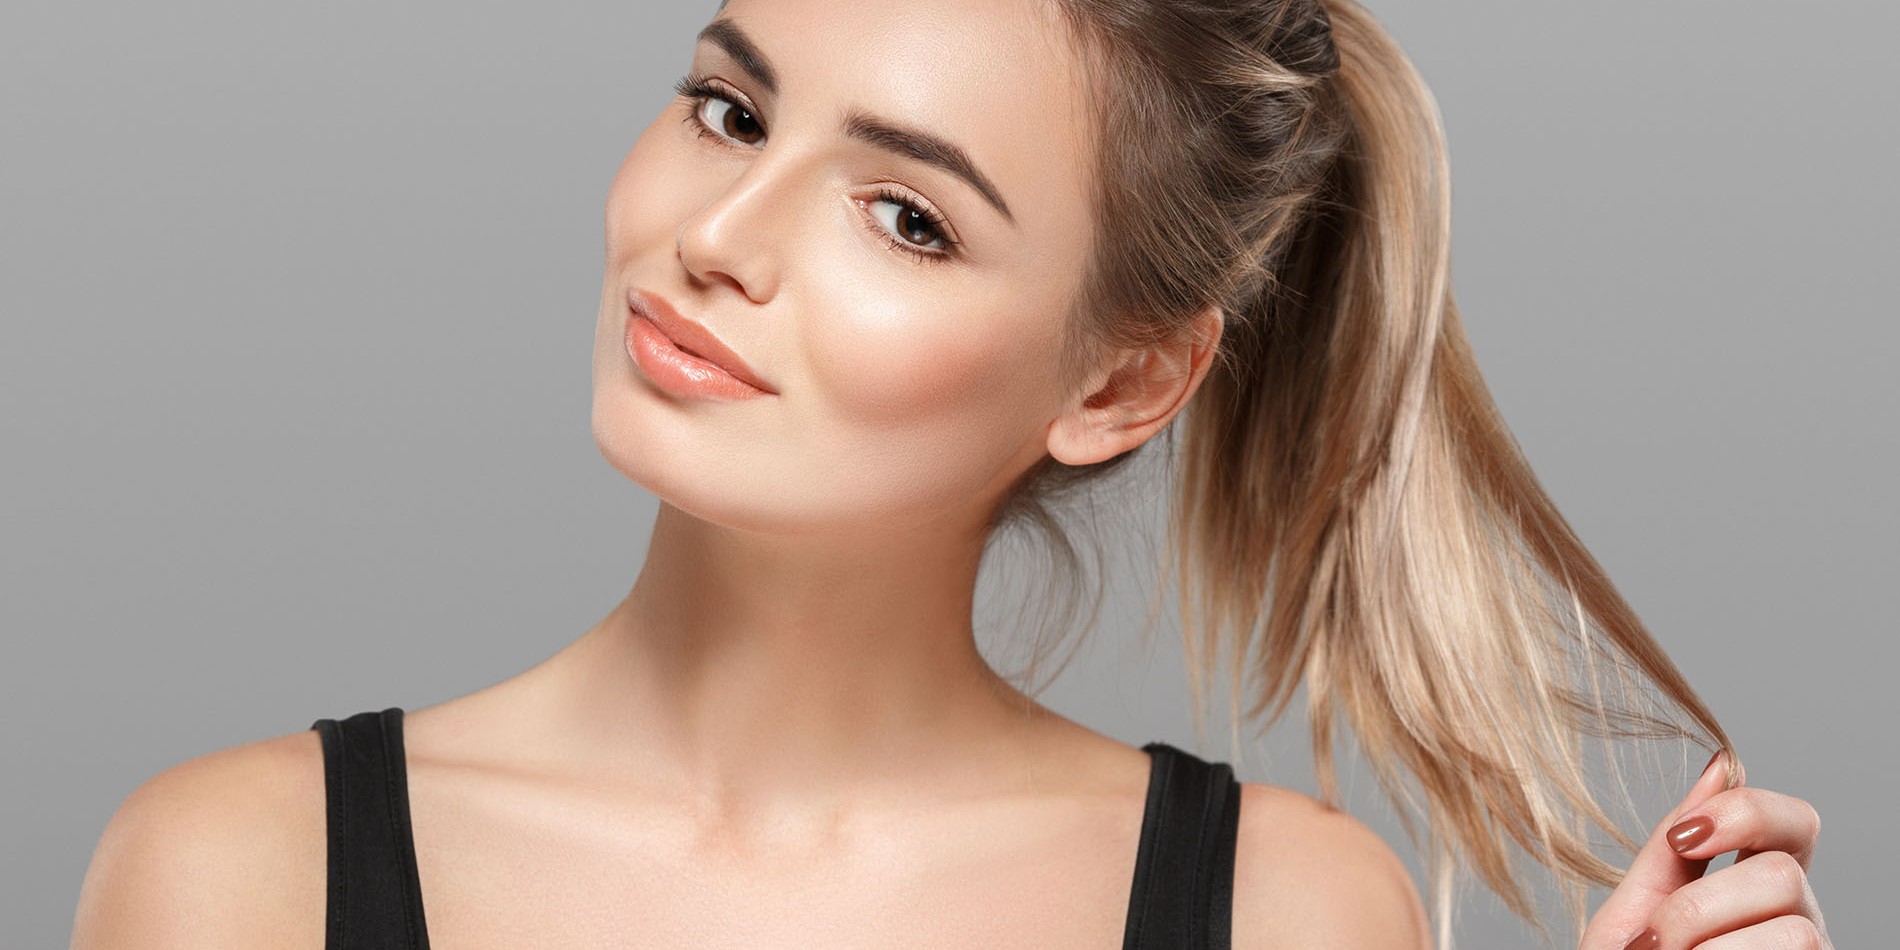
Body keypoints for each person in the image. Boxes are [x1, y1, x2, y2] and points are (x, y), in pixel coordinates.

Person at [70, 0, 1832, 947]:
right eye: (730, 108)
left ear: (1126, 378)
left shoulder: (1284, 917)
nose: (721, 237)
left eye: (905, 216)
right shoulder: (234, 879)